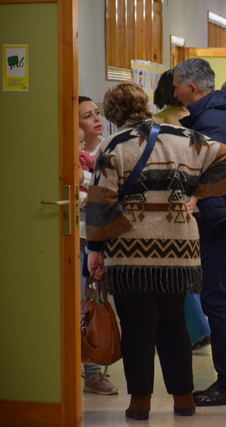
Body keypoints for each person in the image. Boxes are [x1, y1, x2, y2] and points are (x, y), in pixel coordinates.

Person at [86, 82, 226, 420]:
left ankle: (140, 401)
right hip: (179, 244)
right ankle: (183, 398)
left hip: (130, 250)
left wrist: (95, 248)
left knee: (137, 325)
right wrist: (198, 194)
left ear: (113, 113)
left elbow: (101, 201)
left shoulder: (113, 145)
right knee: (174, 323)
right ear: (144, 104)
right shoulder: (185, 137)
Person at [173, 58, 226, 406]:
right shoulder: (216, 111)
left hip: (223, 214)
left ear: (192, 87)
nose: (174, 92)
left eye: (176, 85)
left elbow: (208, 165)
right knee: (224, 298)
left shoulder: (214, 117)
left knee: (217, 299)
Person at [153, 69, 210, 351]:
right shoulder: (195, 119)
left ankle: (195, 327)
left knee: (172, 270)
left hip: (163, 201)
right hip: (192, 198)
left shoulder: (154, 123)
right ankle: (199, 325)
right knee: (191, 268)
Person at [77, 96, 119, 396]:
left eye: (96, 113)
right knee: (81, 304)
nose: (95, 120)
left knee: (94, 303)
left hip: (98, 238)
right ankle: (86, 369)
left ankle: (94, 369)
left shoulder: (108, 150)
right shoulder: (69, 155)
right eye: (87, 116)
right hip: (76, 236)